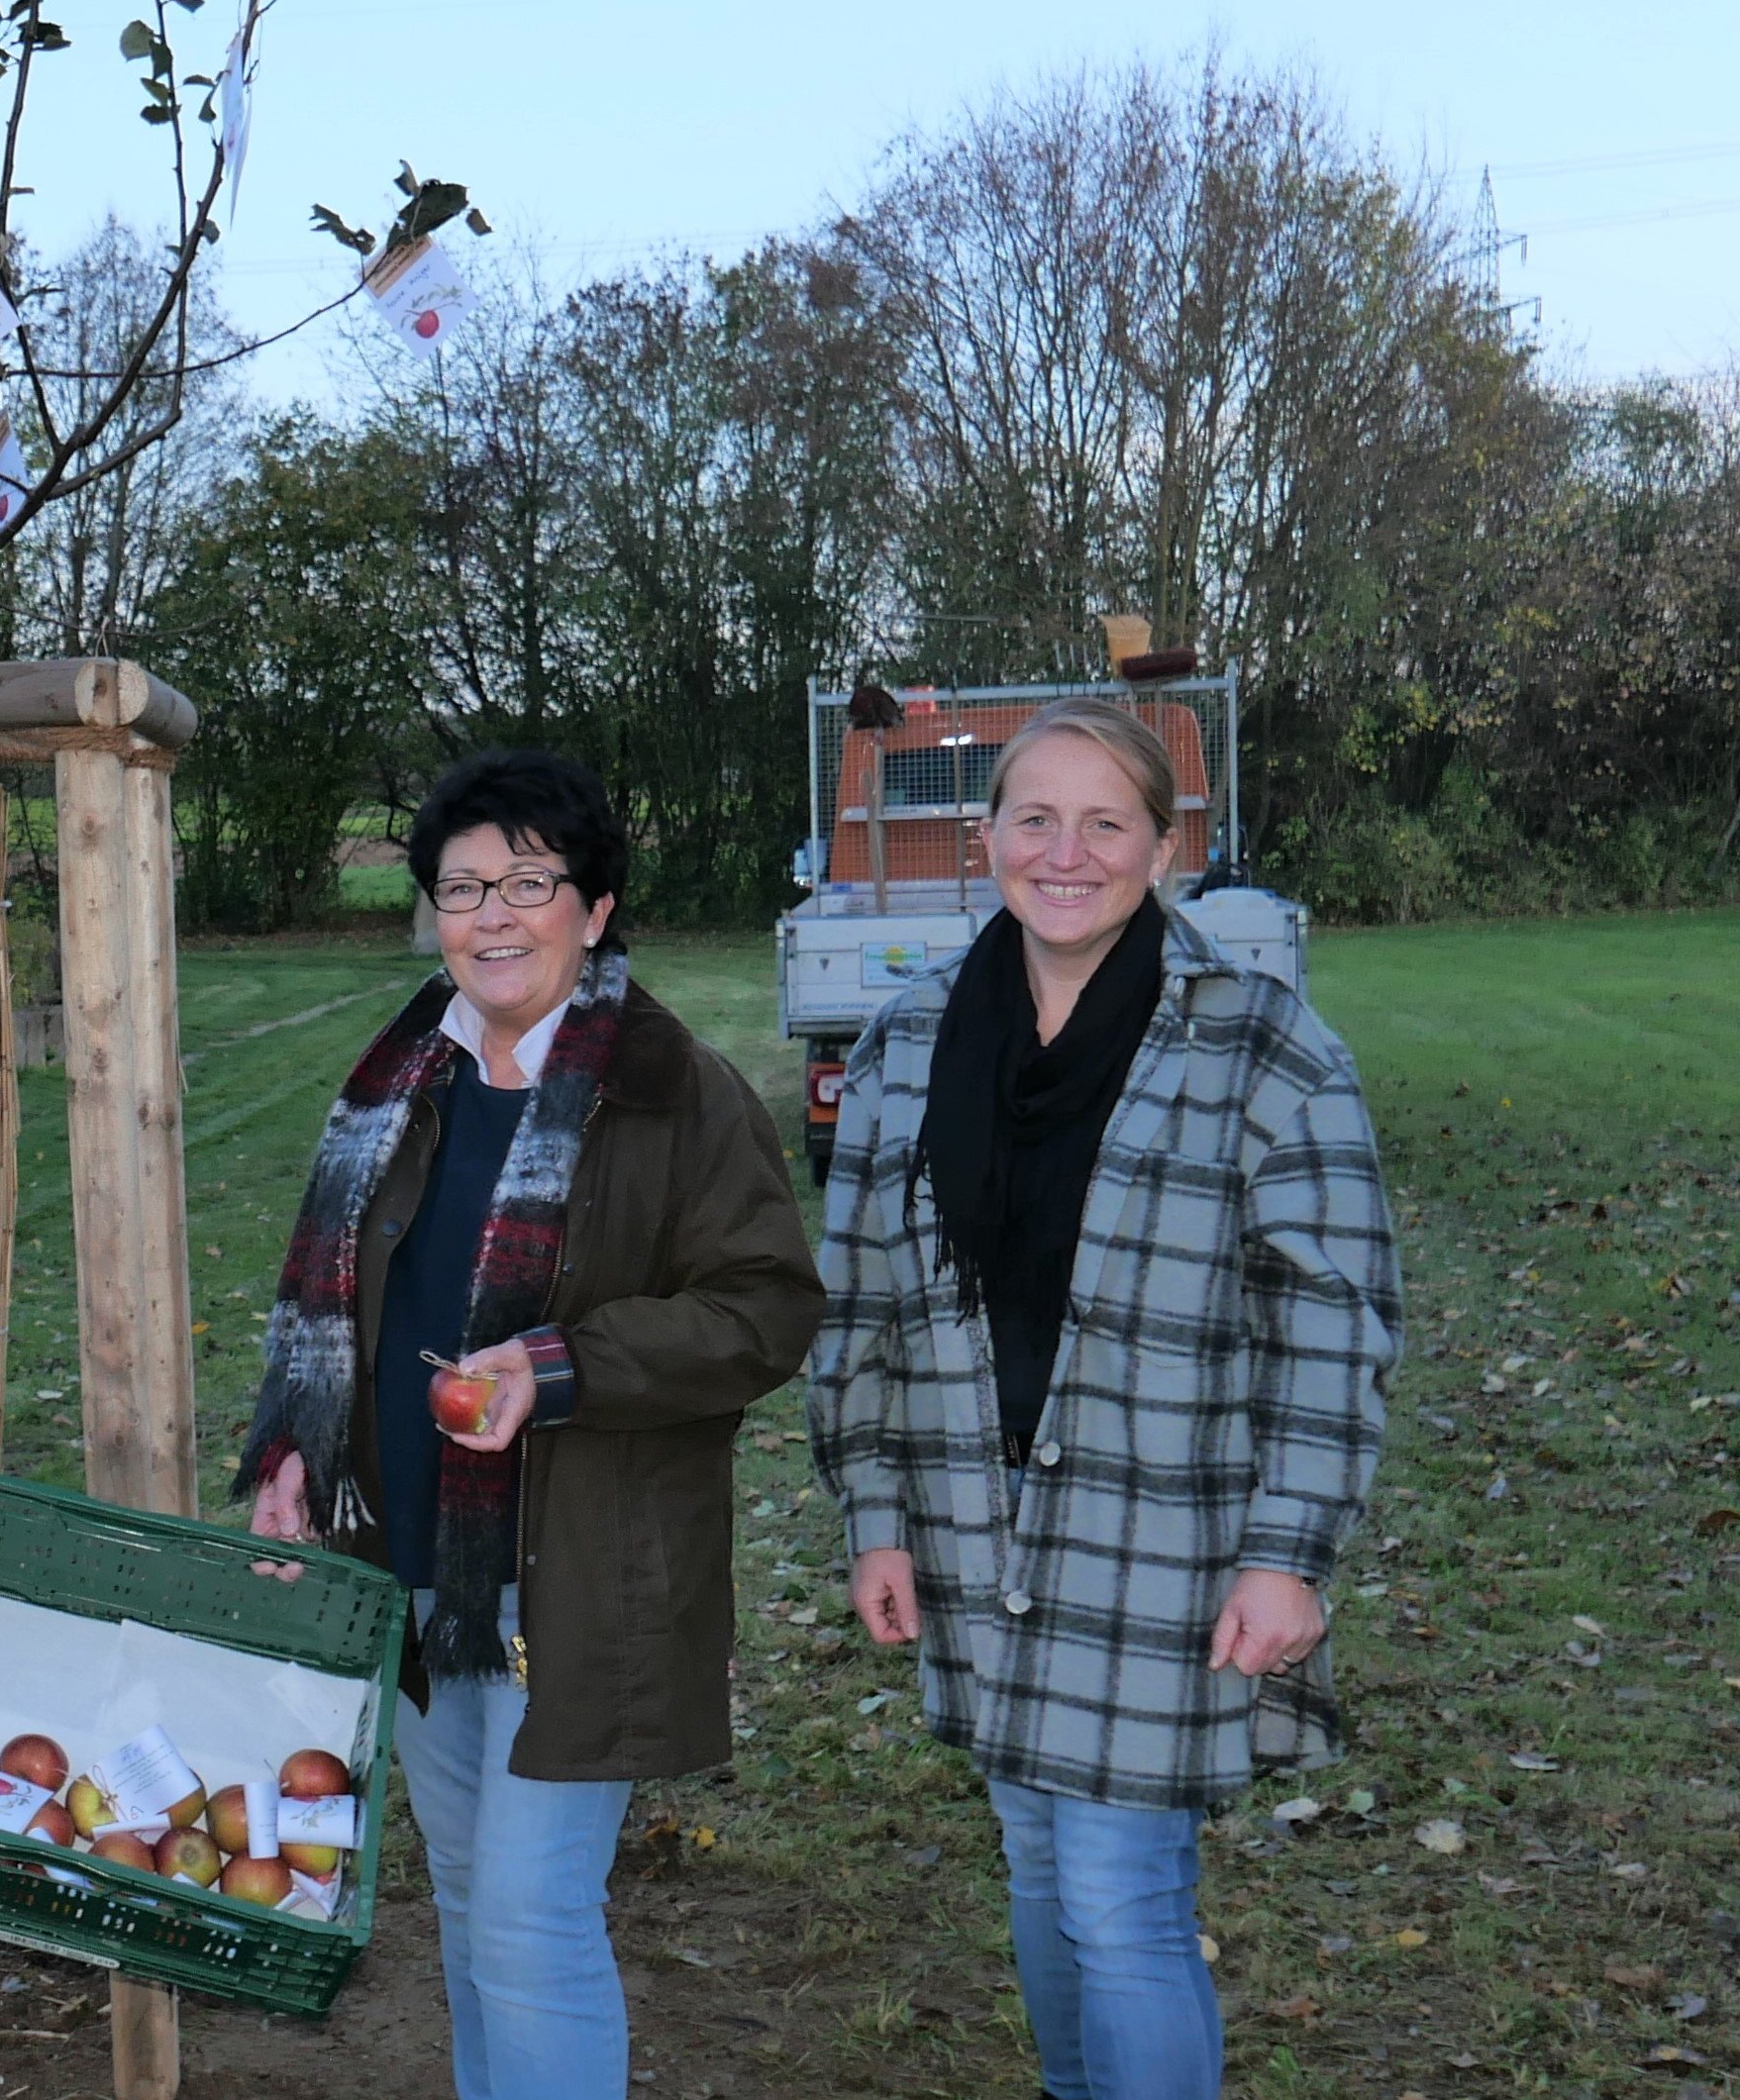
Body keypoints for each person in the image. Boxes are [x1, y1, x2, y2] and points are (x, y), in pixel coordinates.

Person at [805, 696, 1400, 2100]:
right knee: (1035, 1854)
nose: (1064, 854)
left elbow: (1334, 1321)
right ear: (985, 839)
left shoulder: (1262, 1049)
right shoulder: (906, 1046)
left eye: (1104, 823)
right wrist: (874, 1514)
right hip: (973, 1519)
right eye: (1034, 819)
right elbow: (860, 1305)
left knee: (1120, 1893)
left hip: (1164, 1535)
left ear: (1163, 847)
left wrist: (1288, 1552)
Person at [235, 750, 822, 2100]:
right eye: (461, 888)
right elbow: (339, 1305)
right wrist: (296, 1449)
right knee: (465, 1896)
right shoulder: (399, 1084)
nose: (492, 915)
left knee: (528, 1917)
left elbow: (765, 1308)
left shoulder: (674, 1091)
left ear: (595, 908)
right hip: (414, 1565)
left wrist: (556, 1366)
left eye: (529, 883)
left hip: (583, 1574)